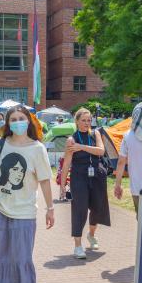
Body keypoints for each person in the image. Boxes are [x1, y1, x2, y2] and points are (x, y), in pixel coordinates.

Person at [0, 105, 54, 283]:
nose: (17, 122)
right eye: (13, 119)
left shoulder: (37, 148)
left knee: (20, 258)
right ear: (7, 123)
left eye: (21, 118)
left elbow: (45, 181)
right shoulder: (0, 144)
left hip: (25, 213)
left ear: (29, 121)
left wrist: (50, 208)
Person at [60, 108, 111, 259]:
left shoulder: (95, 133)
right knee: (80, 209)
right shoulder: (71, 140)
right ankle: (77, 246)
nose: (87, 123)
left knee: (97, 208)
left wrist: (82, 147)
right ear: (76, 121)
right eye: (83, 120)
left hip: (97, 175)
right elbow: (67, 163)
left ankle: (91, 235)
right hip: (79, 177)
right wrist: (63, 185)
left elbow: (101, 151)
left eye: (89, 120)